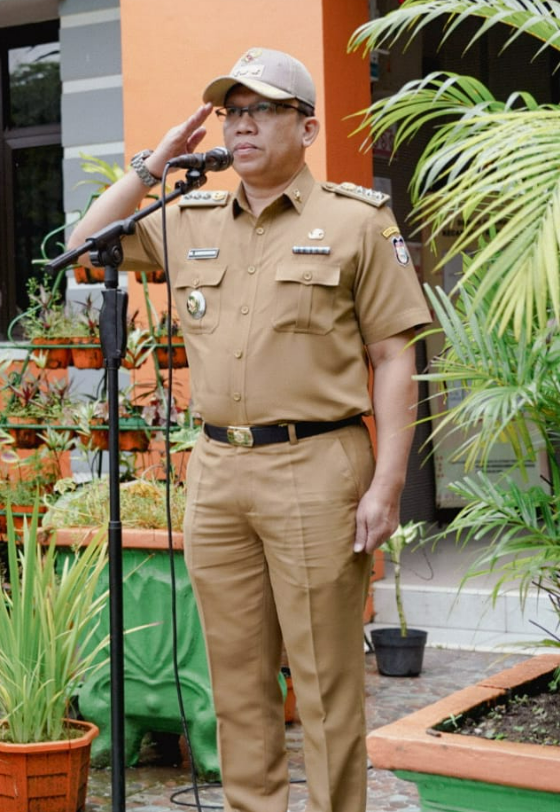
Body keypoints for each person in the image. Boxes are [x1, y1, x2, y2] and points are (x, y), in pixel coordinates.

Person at [67, 48, 430, 812]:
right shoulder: (186, 216)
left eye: (260, 110)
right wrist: (151, 164)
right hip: (216, 473)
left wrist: (387, 483)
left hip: (318, 463)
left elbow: (394, 354)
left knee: (324, 681)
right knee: (233, 678)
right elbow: (82, 246)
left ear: (306, 126)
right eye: (232, 112)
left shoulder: (353, 219)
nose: (241, 125)